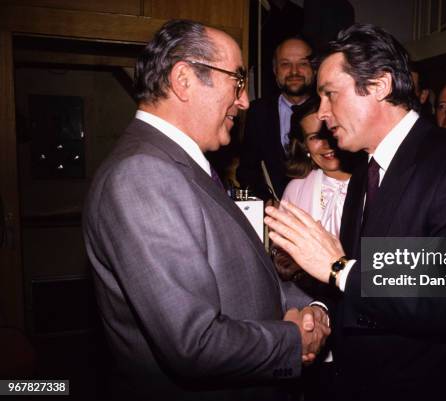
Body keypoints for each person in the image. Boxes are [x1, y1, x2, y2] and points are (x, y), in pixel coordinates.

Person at [265, 23, 446, 400]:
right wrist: (321, 313)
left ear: (380, 85)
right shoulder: (366, 171)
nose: (323, 113)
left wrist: (338, 269)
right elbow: (357, 286)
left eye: (330, 95)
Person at [82, 19, 329, 400]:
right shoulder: (143, 174)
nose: (244, 101)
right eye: (237, 80)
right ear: (184, 79)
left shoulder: (179, 164)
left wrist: (310, 308)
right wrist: (293, 341)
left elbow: (245, 274)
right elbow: (193, 343)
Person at [273, 95, 354, 289]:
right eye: (315, 137)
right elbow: (282, 260)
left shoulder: (375, 181)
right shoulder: (296, 189)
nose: (327, 143)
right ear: (305, 146)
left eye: (331, 131)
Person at [237, 37, 315, 201]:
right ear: (275, 70)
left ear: (314, 69)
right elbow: (247, 170)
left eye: (303, 63)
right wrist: (267, 202)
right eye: (285, 64)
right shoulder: (257, 112)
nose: (294, 71)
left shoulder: (329, 111)